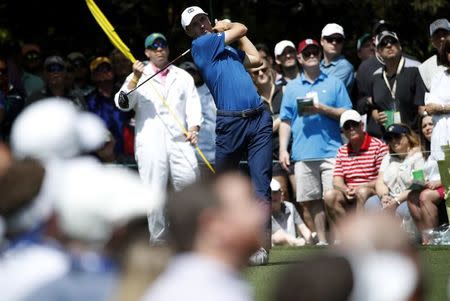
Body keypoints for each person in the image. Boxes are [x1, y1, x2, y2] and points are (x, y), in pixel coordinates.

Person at [181, 6, 272, 263]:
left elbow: (257, 59)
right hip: (230, 125)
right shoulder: (202, 45)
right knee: (221, 187)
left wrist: (234, 34)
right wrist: (227, 25)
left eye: (203, 19)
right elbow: (241, 27)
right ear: (189, 32)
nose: (201, 25)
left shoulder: (226, 48)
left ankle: (260, 246)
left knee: (261, 185)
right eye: (195, 24)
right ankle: (212, 240)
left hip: (258, 119)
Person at [114, 32, 202, 242]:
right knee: (153, 193)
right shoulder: (138, 75)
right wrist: (135, 77)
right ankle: (159, 242)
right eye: (154, 47)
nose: (159, 49)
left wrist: (195, 128)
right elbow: (122, 103)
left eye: (162, 45)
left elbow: (193, 104)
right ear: (147, 52)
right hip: (150, 142)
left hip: (181, 140)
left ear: (168, 49)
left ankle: (191, 237)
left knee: (191, 185)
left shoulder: (182, 76)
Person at [141, 172, 265, 301]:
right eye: (248, 205)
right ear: (213, 225)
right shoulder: (209, 294)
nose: (261, 212)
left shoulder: (212, 284)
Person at [279, 38, 352, 244]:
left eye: (315, 52)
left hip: (331, 150)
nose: (312, 56)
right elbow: (285, 121)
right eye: (307, 53)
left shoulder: (334, 83)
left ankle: (338, 240)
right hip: (303, 152)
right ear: (300, 58)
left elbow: (347, 113)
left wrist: (322, 109)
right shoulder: (291, 87)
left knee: (332, 197)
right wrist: (284, 149)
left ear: (320, 56)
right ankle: (322, 240)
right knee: (313, 201)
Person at [324, 110, 388, 225]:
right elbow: (337, 180)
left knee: (362, 192)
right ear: (343, 131)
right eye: (347, 126)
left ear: (362, 125)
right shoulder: (342, 150)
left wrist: (360, 187)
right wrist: (346, 190)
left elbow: (383, 178)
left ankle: (359, 234)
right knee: (329, 195)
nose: (351, 128)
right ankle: (347, 234)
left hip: (372, 191)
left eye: (354, 124)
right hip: (350, 192)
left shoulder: (379, 146)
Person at [249, 58, 296, 203]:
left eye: (264, 69)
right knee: (280, 199)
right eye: (256, 72)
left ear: (270, 71)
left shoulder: (286, 90)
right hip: (270, 157)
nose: (261, 73)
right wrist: (283, 118)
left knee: (302, 199)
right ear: (251, 77)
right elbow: (257, 132)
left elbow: (298, 115)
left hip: (294, 151)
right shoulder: (252, 101)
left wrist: (274, 123)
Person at [368, 31, 426, 137]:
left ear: (399, 46)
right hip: (389, 139)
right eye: (383, 44)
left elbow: (423, 105)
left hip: (413, 138)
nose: (389, 45)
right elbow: (374, 106)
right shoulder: (375, 77)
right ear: (378, 52)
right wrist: (375, 115)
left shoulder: (414, 71)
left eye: (393, 42)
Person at [365, 124, 424, 219]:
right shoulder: (387, 158)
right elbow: (380, 182)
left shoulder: (418, 156)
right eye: (389, 138)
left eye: (397, 136)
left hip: (409, 198)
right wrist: (384, 197)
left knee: (402, 211)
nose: (393, 141)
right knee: (371, 203)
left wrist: (397, 201)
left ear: (407, 137)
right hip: (389, 197)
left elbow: (419, 183)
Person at [407, 115, 448, 243]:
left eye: (431, 124)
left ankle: (433, 240)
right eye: (424, 126)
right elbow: (418, 174)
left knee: (425, 196)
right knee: (412, 196)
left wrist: (440, 182)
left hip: (447, 184)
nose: (427, 128)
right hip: (433, 186)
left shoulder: (446, 145)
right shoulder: (424, 152)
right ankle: (426, 239)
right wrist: (419, 181)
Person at [86, 56, 130, 159]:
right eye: (99, 70)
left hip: (127, 155)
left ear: (113, 72)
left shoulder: (125, 95)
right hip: (101, 158)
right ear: (93, 76)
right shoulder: (88, 101)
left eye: (107, 69)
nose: (104, 72)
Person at [179, 61, 216, 165]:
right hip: (188, 155)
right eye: (186, 73)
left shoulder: (213, 91)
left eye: (192, 72)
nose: (190, 76)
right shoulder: (177, 95)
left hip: (214, 153)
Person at [423, 35, 450, 162]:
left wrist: (441, 108)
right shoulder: (438, 78)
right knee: (443, 177)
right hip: (441, 135)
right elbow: (429, 108)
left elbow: (436, 107)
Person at [270, 178, 314, 246]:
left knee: (313, 235)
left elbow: (302, 227)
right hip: (272, 242)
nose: (272, 195)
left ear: (281, 193)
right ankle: (299, 243)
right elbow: (279, 234)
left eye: (275, 192)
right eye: (269, 192)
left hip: (292, 241)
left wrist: (309, 240)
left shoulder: (290, 206)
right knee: (278, 237)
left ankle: (302, 243)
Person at [320, 23, 355, 92]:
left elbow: (327, 91)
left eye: (339, 40)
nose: (334, 43)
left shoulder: (345, 67)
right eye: (330, 39)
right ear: (322, 41)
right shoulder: (318, 65)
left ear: (342, 43)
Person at [418, 18, 450, 91]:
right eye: (437, 36)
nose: (441, 38)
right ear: (432, 41)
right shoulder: (424, 69)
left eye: (445, 34)